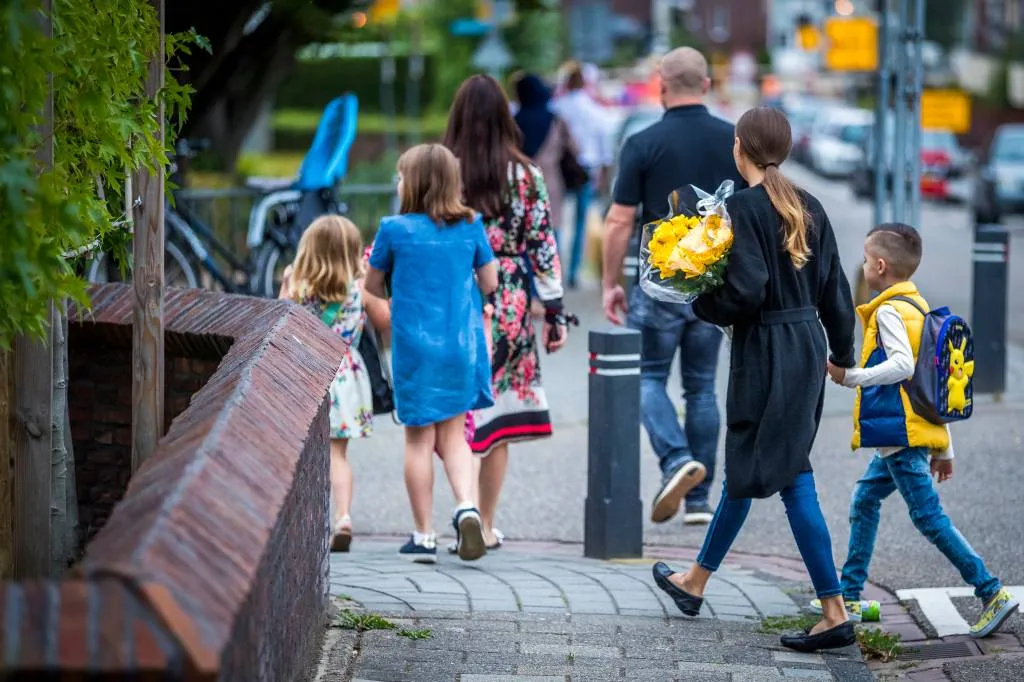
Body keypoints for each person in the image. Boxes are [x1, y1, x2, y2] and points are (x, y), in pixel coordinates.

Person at [650, 106, 857, 653]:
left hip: (766, 350)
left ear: (739, 145)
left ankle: (834, 610)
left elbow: (744, 290)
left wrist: (700, 300)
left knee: (790, 474)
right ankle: (695, 582)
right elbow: (836, 290)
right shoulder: (809, 206)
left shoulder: (742, 207)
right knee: (750, 466)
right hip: (807, 346)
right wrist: (841, 353)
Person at [820, 223, 1019, 637]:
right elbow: (936, 386)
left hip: (901, 436)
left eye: (864, 258)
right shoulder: (918, 308)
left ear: (879, 265)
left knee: (928, 518)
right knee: (865, 500)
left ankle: (991, 591)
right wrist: (945, 447)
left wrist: (850, 376)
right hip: (908, 435)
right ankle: (851, 595)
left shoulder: (890, 311)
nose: (862, 265)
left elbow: (904, 369)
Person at [602, 47, 745, 525]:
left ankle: (676, 460)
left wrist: (609, 283)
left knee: (648, 377)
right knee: (702, 388)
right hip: (713, 282)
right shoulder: (733, 141)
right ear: (706, 85)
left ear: (661, 85)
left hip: (659, 280)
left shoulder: (642, 143)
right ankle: (700, 500)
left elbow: (620, 220)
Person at [444, 74, 570, 552]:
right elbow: (544, 246)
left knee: (459, 414)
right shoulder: (526, 175)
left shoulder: (442, 173)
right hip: (510, 298)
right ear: (505, 118)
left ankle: (465, 507)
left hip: (454, 293)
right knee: (496, 419)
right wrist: (555, 312)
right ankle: (487, 522)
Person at [365, 143, 498, 564]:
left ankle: (423, 535)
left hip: (415, 350)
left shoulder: (394, 229)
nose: (398, 182)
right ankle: (467, 507)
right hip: (460, 347)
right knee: (455, 437)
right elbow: (491, 282)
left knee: (419, 440)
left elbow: (370, 285)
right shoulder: (471, 225)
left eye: (401, 175)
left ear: (415, 183)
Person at [279, 215, 390, 553]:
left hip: (307, 370)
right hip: (347, 375)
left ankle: (302, 519)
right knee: (338, 454)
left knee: (301, 452)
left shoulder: (295, 281)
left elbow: (280, 319)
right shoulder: (359, 289)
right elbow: (387, 321)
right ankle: (342, 517)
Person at [551, 60, 614, 288]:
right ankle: (574, 273)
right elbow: (604, 145)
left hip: (558, 168)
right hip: (585, 169)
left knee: (555, 218)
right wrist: (604, 173)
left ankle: (555, 268)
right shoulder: (593, 109)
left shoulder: (557, 107)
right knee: (580, 221)